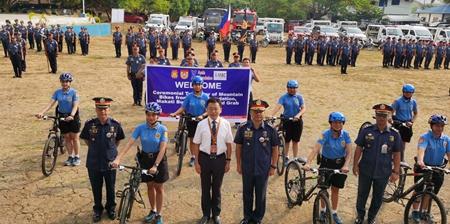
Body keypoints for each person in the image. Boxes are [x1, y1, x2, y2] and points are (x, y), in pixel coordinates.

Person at [112, 102, 169, 224]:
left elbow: (163, 148)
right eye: (148, 114)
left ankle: (159, 214)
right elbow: (129, 143)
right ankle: (153, 210)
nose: (151, 117)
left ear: (158, 116)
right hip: (145, 159)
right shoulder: (140, 128)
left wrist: (155, 165)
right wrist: (118, 158)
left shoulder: (163, 129)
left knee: (158, 187)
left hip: (158, 160)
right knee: (149, 185)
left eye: (154, 115)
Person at [353, 104, 402, 224]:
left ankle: (371, 217)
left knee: (378, 197)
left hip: (383, 171)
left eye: (384, 115)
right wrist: (355, 165)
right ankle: (360, 216)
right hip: (366, 169)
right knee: (362, 194)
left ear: (389, 116)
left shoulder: (394, 134)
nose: (381, 118)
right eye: (379, 114)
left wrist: (396, 171)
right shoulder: (367, 130)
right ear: (375, 115)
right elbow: (359, 148)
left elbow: (397, 153)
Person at [80, 97, 125, 223]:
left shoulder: (115, 124)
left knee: (111, 186)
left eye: (105, 109)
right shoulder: (89, 124)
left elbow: (118, 139)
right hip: (93, 162)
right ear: (96, 109)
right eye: (100, 109)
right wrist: (95, 149)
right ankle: (98, 209)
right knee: (96, 187)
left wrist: (110, 150)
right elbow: (86, 139)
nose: (103, 112)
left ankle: (111, 208)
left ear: (109, 109)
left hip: (110, 162)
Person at [234, 99, 280, 224]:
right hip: (247, 167)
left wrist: (273, 166)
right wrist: (238, 164)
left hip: (263, 168)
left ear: (264, 113)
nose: (258, 114)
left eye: (261, 111)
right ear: (250, 112)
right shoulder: (243, 128)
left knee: (261, 195)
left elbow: (275, 149)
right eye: (255, 111)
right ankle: (247, 217)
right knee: (247, 193)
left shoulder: (271, 130)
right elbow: (238, 147)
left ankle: (257, 217)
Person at [303, 112, 352, 224]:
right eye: (335, 122)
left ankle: (334, 212)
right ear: (330, 123)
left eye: (340, 122)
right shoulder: (325, 134)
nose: (337, 125)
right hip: (326, 164)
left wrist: (345, 165)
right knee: (323, 189)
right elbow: (316, 149)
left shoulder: (346, 135)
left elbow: (349, 153)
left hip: (340, 165)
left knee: (335, 190)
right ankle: (323, 210)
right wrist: (308, 163)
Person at [193, 97, 233, 224]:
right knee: (205, 188)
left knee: (217, 188)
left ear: (220, 109)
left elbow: (229, 144)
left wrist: (228, 161)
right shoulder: (201, 124)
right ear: (206, 110)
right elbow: (196, 144)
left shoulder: (226, 124)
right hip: (204, 158)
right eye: (210, 109)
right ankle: (205, 214)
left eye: (216, 108)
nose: (213, 111)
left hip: (220, 159)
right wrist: (196, 162)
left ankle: (216, 214)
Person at [410, 114, 449, 222]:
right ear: (432, 126)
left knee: (430, 192)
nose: (439, 128)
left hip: (438, 169)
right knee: (418, 190)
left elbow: (449, 154)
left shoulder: (446, 139)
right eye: (437, 126)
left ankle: (423, 212)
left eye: (442, 126)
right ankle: (414, 211)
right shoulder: (425, 137)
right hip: (424, 167)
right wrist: (420, 160)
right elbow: (421, 150)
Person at [36, 72, 81, 166]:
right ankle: (70, 156)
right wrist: (42, 112)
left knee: (74, 138)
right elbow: (50, 104)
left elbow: (75, 105)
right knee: (67, 138)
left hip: (72, 116)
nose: (65, 83)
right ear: (60, 82)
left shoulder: (74, 92)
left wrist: (72, 115)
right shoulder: (57, 92)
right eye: (63, 81)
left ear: (70, 82)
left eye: (67, 82)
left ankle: (77, 156)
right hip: (61, 115)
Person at [170, 76, 209, 167]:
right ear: (192, 86)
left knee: (202, 140)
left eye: (199, 85)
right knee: (192, 140)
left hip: (201, 120)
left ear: (202, 86)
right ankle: (193, 157)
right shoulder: (189, 96)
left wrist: (202, 115)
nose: (197, 87)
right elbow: (183, 107)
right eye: (195, 85)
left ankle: (201, 156)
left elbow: (208, 110)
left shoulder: (206, 97)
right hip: (191, 119)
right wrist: (175, 113)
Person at [270, 80, 305, 162]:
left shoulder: (299, 97)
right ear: (287, 88)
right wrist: (272, 114)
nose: (292, 90)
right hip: (287, 120)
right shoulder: (284, 97)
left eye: (294, 88)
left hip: (297, 121)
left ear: (297, 88)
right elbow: (278, 106)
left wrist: (298, 115)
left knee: (295, 141)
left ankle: (295, 158)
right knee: (287, 140)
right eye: (290, 88)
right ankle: (286, 156)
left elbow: (303, 108)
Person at [391, 84, 418, 161]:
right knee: (396, 141)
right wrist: (391, 120)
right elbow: (391, 112)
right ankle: (395, 157)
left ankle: (401, 159)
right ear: (403, 92)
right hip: (399, 123)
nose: (408, 94)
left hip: (408, 124)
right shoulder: (397, 101)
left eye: (410, 92)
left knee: (403, 143)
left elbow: (415, 113)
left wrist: (412, 122)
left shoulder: (413, 102)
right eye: (406, 92)